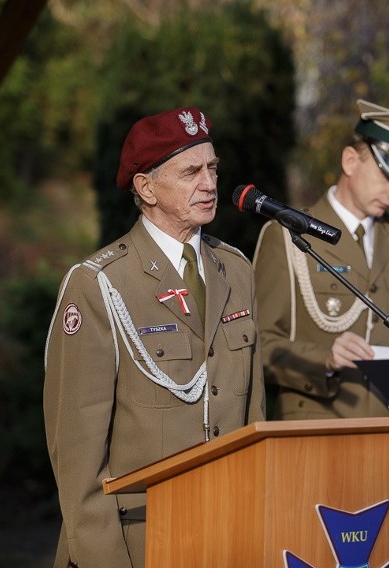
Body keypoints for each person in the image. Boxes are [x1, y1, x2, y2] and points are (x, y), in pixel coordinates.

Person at [43, 107, 265, 568]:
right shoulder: (99, 283)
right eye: (190, 172)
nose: (209, 183)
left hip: (229, 533)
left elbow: (252, 415)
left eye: (213, 168)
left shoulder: (236, 270)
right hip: (140, 542)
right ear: (145, 187)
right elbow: (77, 456)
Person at [253, 99, 389, 419]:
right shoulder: (286, 235)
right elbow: (257, 346)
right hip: (316, 439)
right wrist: (325, 359)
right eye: (388, 179)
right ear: (350, 161)